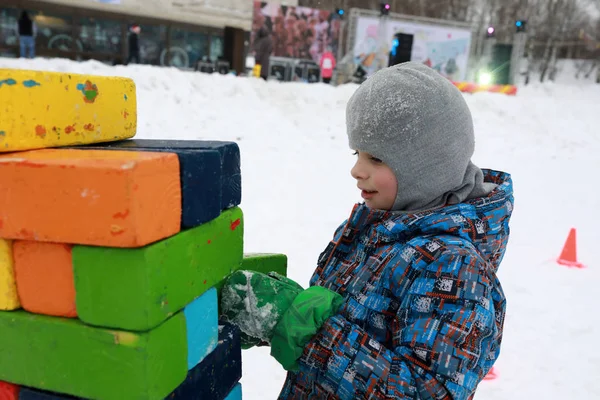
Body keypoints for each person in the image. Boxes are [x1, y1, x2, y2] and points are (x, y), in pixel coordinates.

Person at [221, 62, 513, 399]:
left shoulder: (455, 268)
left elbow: (422, 392)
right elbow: (345, 324)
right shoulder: (373, 228)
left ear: (427, 167)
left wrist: (302, 329)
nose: (357, 170)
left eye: (376, 158)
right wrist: (275, 320)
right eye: (356, 152)